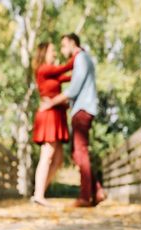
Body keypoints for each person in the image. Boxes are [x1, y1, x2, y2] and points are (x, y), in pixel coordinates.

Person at [40, 33, 106, 207]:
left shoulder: (81, 58)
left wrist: (51, 103)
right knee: (76, 152)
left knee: (80, 151)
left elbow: (73, 89)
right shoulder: (83, 59)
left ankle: (85, 197)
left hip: (82, 109)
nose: (62, 50)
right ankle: (97, 191)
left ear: (72, 43)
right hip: (82, 108)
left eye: (63, 46)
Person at [31, 42, 74, 206]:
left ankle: (40, 193)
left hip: (57, 114)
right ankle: (38, 194)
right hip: (48, 116)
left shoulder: (52, 73)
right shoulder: (44, 69)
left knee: (58, 159)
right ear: (44, 53)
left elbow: (69, 77)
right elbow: (65, 69)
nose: (55, 53)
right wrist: (76, 54)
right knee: (47, 154)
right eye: (53, 50)